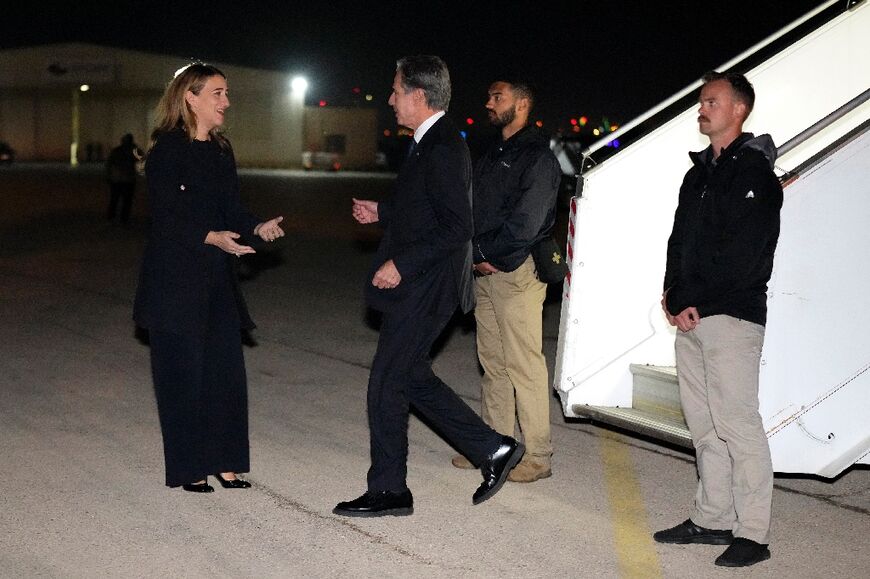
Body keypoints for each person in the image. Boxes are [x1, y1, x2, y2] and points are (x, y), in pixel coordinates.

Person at [334, 55, 524, 517]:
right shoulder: (427, 143)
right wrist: (382, 212)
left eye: (396, 91)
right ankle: (494, 450)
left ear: (418, 96)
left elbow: (458, 226)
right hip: (422, 282)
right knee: (409, 377)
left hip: (426, 285)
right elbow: (426, 209)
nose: (391, 99)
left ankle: (389, 490)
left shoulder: (442, 146)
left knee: (385, 383)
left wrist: (401, 262)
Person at [133, 63, 285, 493]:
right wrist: (210, 236)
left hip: (216, 281)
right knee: (182, 378)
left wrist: (256, 227)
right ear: (190, 97)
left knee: (225, 374)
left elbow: (231, 208)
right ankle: (190, 467)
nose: (226, 102)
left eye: (226, 93)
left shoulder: (221, 150)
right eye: (217, 93)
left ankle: (227, 461)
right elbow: (166, 216)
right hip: (174, 283)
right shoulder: (166, 150)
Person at [655, 71, 783, 567]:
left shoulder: (754, 176)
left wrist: (697, 302)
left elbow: (747, 258)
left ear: (739, 110)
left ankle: (753, 531)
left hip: (731, 317)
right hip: (690, 316)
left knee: (737, 423)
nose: (702, 109)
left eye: (712, 101)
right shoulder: (697, 175)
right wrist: (671, 296)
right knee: (704, 426)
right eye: (701, 102)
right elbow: (678, 243)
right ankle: (712, 518)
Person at [450, 79, 560, 483]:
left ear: (523, 103)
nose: (489, 102)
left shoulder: (537, 158)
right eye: (489, 95)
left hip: (515, 274)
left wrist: (482, 255)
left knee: (523, 365)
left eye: (498, 97)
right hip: (486, 271)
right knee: (493, 364)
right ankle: (494, 447)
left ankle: (538, 455)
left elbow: (527, 224)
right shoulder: (494, 153)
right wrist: (474, 256)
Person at [105, 133, 141, 224]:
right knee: (126, 201)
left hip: (116, 179)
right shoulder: (133, 151)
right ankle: (123, 219)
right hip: (128, 179)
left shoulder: (116, 151)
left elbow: (109, 164)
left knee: (115, 199)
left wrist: (109, 176)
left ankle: (111, 217)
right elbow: (142, 157)